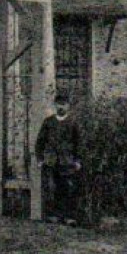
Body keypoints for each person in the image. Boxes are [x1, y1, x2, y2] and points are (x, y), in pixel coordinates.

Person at [34, 89, 83, 225]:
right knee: (51, 188)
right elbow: (40, 142)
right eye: (59, 104)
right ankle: (53, 215)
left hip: (67, 161)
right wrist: (40, 159)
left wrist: (78, 160)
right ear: (55, 105)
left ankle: (69, 217)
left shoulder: (73, 123)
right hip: (51, 161)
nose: (61, 107)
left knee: (68, 188)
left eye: (64, 104)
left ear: (68, 106)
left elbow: (78, 143)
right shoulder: (48, 122)